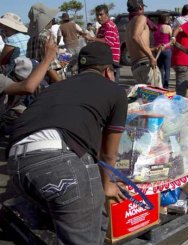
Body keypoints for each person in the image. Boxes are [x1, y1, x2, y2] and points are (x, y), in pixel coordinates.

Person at [7, 42, 128, 244]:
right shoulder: (114, 91)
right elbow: (108, 153)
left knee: (83, 213)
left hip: (17, 164)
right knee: (87, 229)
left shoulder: (57, 87)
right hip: (59, 163)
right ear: (108, 71)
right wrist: (108, 185)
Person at [26, 3, 65, 83]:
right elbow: (50, 67)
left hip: (38, 81)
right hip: (52, 82)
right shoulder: (47, 36)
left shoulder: (31, 39)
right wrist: (62, 84)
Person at [125, 0, 158, 84]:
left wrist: (154, 49)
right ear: (140, 7)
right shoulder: (141, 18)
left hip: (136, 67)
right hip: (145, 65)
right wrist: (151, 57)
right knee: (157, 96)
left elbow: (137, 46)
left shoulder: (128, 25)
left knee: (144, 97)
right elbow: (136, 37)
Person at [85, 4, 121, 82]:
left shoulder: (110, 25)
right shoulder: (102, 28)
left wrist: (92, 38)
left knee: (112, 88)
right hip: (105, 61)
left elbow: (108, 42)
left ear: (107, 15)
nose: (99, 17)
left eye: (101, 14)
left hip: (112, 62)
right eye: (97, 15)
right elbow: (99, 43)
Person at [154, 13, 172, 89]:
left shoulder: (155, 27)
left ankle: (160, 85)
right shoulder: (168, 27)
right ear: (166, 19)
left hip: (157, 49)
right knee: (167, 68)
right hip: (166, 49)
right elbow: (172, 39)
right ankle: (166, 86)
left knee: (160, 68)